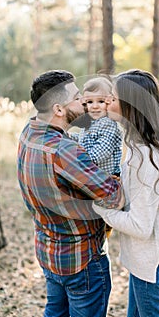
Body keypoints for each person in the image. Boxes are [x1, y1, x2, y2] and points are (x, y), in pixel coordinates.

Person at [17, 70, 124, 317]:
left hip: (48, 251)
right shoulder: (64, 151)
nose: (84, 103)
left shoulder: (29, 133)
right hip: (81, 259)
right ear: (59, 109)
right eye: (77, 98)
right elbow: (114, 196)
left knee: (53, 316)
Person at [93, 69, 159, 317]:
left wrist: (100, 209)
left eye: (113, 98)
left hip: (154, 265)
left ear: (130, 106)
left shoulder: (145, 159)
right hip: (155, 260)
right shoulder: (145, 144)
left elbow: (140, 226)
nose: (107, 102)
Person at [69, 76, 123, 238]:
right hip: (96, 179)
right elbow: (84, 141)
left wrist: (77, 159)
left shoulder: (108, 125)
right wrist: (69, 139)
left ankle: (100, 238)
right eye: (90, 102)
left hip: (107, 181)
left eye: (100, 101)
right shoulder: (92, 123)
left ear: (109, 101)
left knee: (100, 221)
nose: (94, 107)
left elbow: (99, 153)